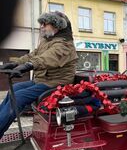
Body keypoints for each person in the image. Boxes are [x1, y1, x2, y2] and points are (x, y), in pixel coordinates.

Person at [0, 11, 78, 139]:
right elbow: (33, 55)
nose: (41, 26)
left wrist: (28, 66)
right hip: (43, 80)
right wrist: (14, 64)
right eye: (41, 23)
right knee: (13, 90)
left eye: (44, 23)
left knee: (18, 97)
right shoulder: (47, 42)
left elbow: (48, 58)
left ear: (56, 26)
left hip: (56, 82)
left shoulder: (65, 44)